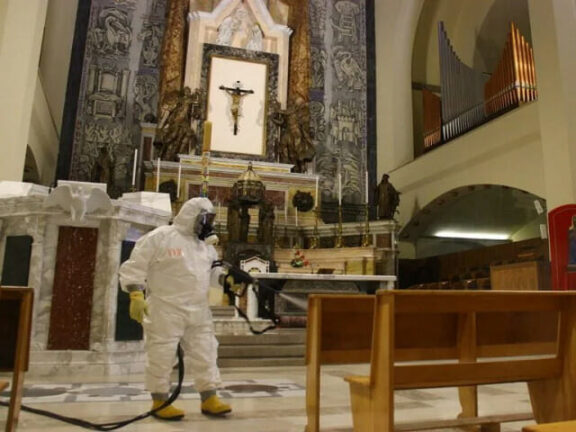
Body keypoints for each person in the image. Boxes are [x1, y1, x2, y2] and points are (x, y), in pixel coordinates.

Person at [119, 197, 232, 421]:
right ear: (192, 215)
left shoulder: (205, 248)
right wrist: (135, 293)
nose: (208, 223)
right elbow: (135, 267)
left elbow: (212, 275)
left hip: (198, 310)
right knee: (161, 354)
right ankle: (160, 400)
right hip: (165, 308)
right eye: (205, 218)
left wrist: (226, 282)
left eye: (211, 219)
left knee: (206, 352)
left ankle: (209, 397)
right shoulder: (161, 237)